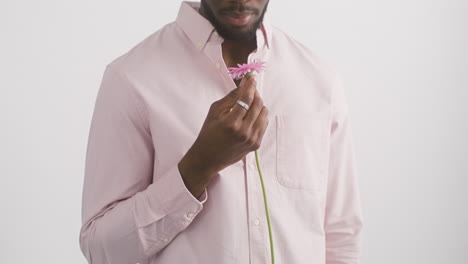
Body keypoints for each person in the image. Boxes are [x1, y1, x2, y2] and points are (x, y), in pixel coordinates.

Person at [79, 0, 364, 263]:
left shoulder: (319, 80)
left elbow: (341, 235)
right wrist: (197, 167)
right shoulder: (132, 79)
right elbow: (101, 248)